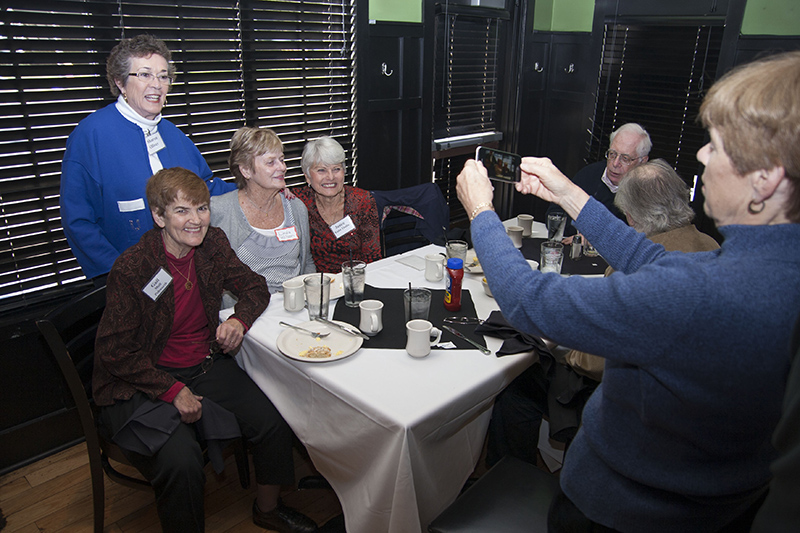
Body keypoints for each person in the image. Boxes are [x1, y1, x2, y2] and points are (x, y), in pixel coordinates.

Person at [457, 51, 800, 532]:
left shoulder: (703, 295)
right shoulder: (765, 265)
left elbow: (530, 300)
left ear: (765, 179)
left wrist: (481, 213)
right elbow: (654, 257)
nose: (701, 155)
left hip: (618, 513)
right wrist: (568, 194)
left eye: (717, 147)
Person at [93, 168, 317, 533]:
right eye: (182, 211)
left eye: (201, 208)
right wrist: (172, 390)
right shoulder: (134, 267)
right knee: (180, 463)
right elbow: (115, 352)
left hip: (203, 363)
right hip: (145, 378)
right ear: (158, 216)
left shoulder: (212, 243)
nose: (195, 220)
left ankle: (268, 508)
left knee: (274, 418)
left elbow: (255, 286)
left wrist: (238, 322)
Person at [487, 158, 719, 467]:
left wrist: (566, 350)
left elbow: (591, 360)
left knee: (514, 384)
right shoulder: (710, 246)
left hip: (618, 405)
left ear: (631, 217)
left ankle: (511, 479)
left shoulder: (646, 278)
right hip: (683, 416)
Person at [60, 34, 235, 283]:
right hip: (127, 279)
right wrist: (120, 273)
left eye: (163, 76)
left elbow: (207, 188)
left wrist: (258, 187)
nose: (157, 84)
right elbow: (78, 221)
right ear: (120, 82)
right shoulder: (91, 135)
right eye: (145, 74)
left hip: (183, 272)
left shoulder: (174, 135)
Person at [211, 127, 315, 298]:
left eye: (282, 159)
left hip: (294, 306)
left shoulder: (296, 207)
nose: (282, 167)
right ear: (245, 170)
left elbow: (307, 262)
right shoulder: (219, 211)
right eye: (270, 162)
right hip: (243, 312)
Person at [294, 136, 381, 273]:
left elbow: (372, 257)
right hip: (318, 284)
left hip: (355, 280)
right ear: (307, 177)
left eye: (336, 169)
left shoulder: (362, 201)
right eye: (321, 170)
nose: (330, 177)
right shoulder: (299, 202)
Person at [547, 122, 651, 236]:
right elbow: (555, 214)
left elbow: (638, 236)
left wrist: (593, 237)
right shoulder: (589, 173)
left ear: (642, 161)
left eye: (625, 158)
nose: (615, 163)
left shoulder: (646, 192)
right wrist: (580, 234)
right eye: (612, 154)